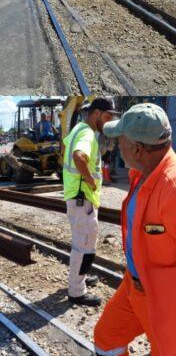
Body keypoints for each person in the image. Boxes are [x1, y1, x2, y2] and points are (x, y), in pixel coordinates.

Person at [93, 102, 176, 356]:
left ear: (138, 149)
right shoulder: (142, 174)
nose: (118, 145)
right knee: (107, 338)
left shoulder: (171, 189)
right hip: (134, 285)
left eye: (121, 140)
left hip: (164, 298)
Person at [63, 97, 118, 307]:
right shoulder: (87, 133)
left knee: (85, 242)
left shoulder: (78, 129)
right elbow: (78, 156)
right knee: (83, 245)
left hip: (79, 198)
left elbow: (69, 151)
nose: (109, 120)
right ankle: (76, 291)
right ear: (96, 113)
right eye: (107, 116)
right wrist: (90, 182)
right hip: (82, 197)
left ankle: (80, 277)